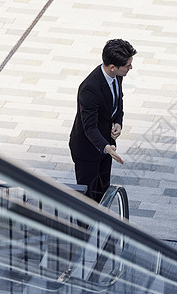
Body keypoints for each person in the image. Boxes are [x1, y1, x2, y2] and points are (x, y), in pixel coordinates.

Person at [69, 39, 137, 203]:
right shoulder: (89, 88)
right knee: (88, 198)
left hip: (106, 147)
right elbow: (89, 127)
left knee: (102, 193)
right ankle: (85, 229)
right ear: (112, 67)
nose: (130, 68)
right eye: (127, 65)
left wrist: (118, 122)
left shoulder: (117, 76)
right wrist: (106, 147)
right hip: (88, 150)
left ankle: (99, 226)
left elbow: (118, 102)